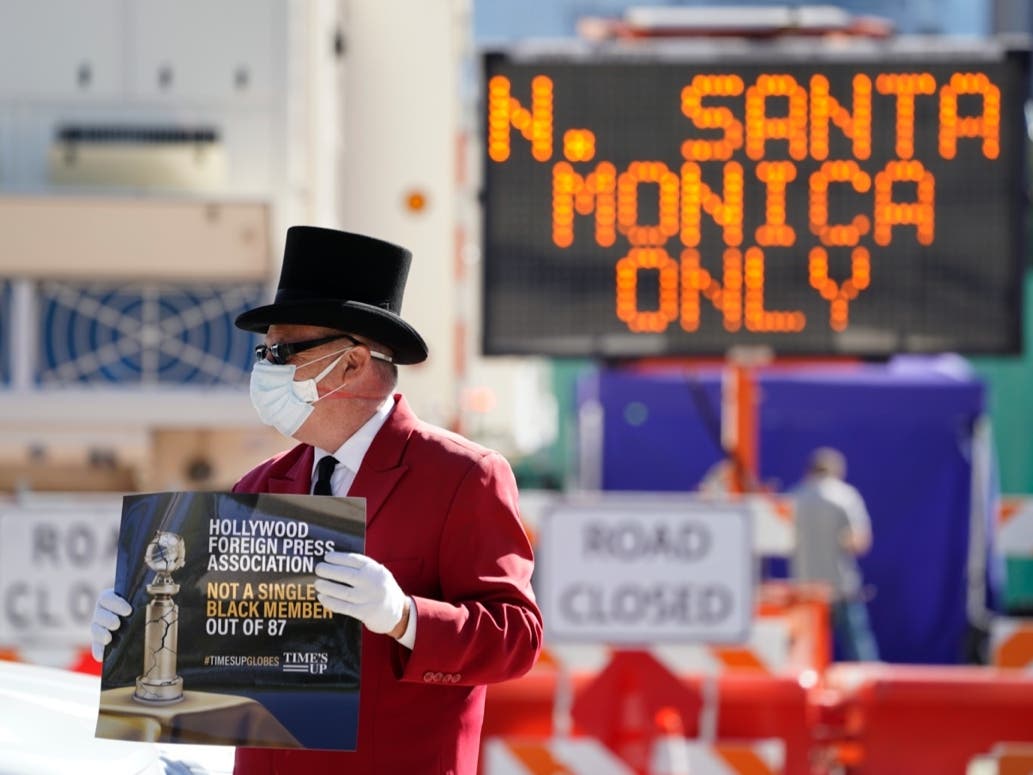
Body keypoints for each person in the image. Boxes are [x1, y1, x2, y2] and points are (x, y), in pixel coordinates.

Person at [91, 226, 543, 774]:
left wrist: (405, 617)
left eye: (281, 351)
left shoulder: (463, 476)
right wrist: (133, 638)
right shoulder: (257, 486)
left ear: (352, 364)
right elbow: (229, 652)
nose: (264, 368)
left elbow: (516, 639)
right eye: (264, 351)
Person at [790, 446, 879, 661]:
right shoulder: (845, 496)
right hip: (840, 586)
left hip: (805, 587)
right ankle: (870, 691)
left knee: (802, 652)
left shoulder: (794, 497)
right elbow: (859, 541)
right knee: (859, 650)